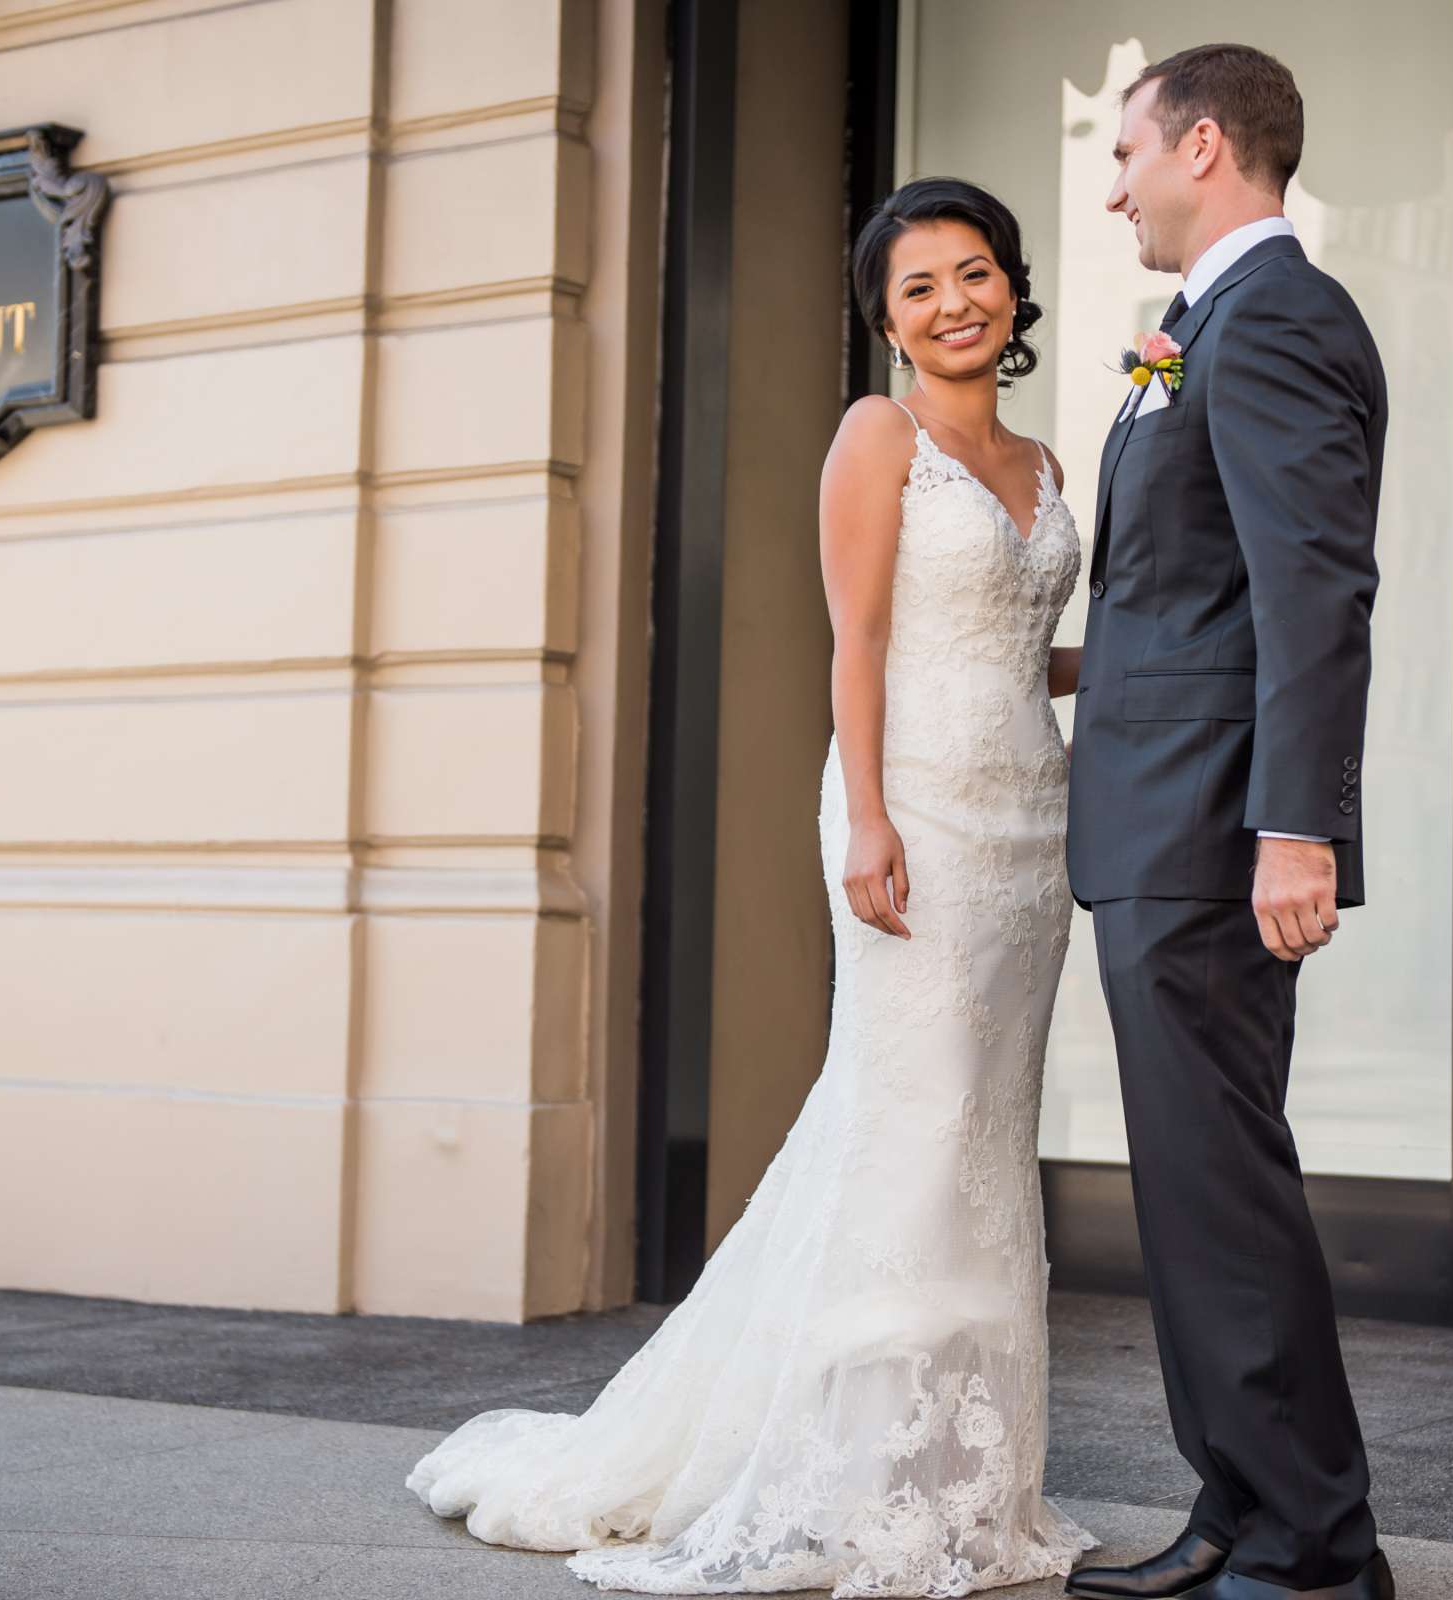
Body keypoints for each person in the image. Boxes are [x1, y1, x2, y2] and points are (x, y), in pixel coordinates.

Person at [407, 175, 1100, 1597]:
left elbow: (1013, 648)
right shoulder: (875, 435)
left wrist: (1153, 674)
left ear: (1014, 291)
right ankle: (850, 1478)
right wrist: (867, 820)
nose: (954, 302)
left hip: (1036, 822)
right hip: (915, 814)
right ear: (886, 320)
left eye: (976, 274)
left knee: (985, 1129)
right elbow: (858, 642)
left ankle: (963, 1482)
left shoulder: (1044, 460)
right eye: (919, 287)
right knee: (908, 1123)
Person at [1061, 43, 1394, 1600]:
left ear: (1203, 144)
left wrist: (1296, 827)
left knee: (1222, 1192)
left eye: (1127, 153)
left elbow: (1314, 592)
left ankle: (1316, 1546)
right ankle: (1241, 1514)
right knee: (1193, 1196)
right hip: (1163, 821)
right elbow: (1183, 592)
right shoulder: (1204, 327)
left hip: (1211, 831)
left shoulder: (1276, 322)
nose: (1112, 183)